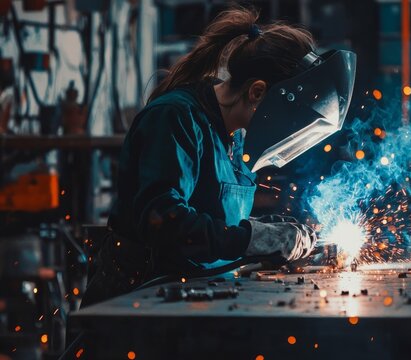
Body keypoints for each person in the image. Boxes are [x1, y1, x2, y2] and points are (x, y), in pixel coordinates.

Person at [82, 7, 356, 306]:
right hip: (140, 301)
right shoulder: (174, 118)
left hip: (202, 297)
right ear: (257, 92)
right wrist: (252, 238)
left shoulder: (237, 138)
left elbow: (214, 219)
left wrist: (270, 232)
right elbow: (163, 222)